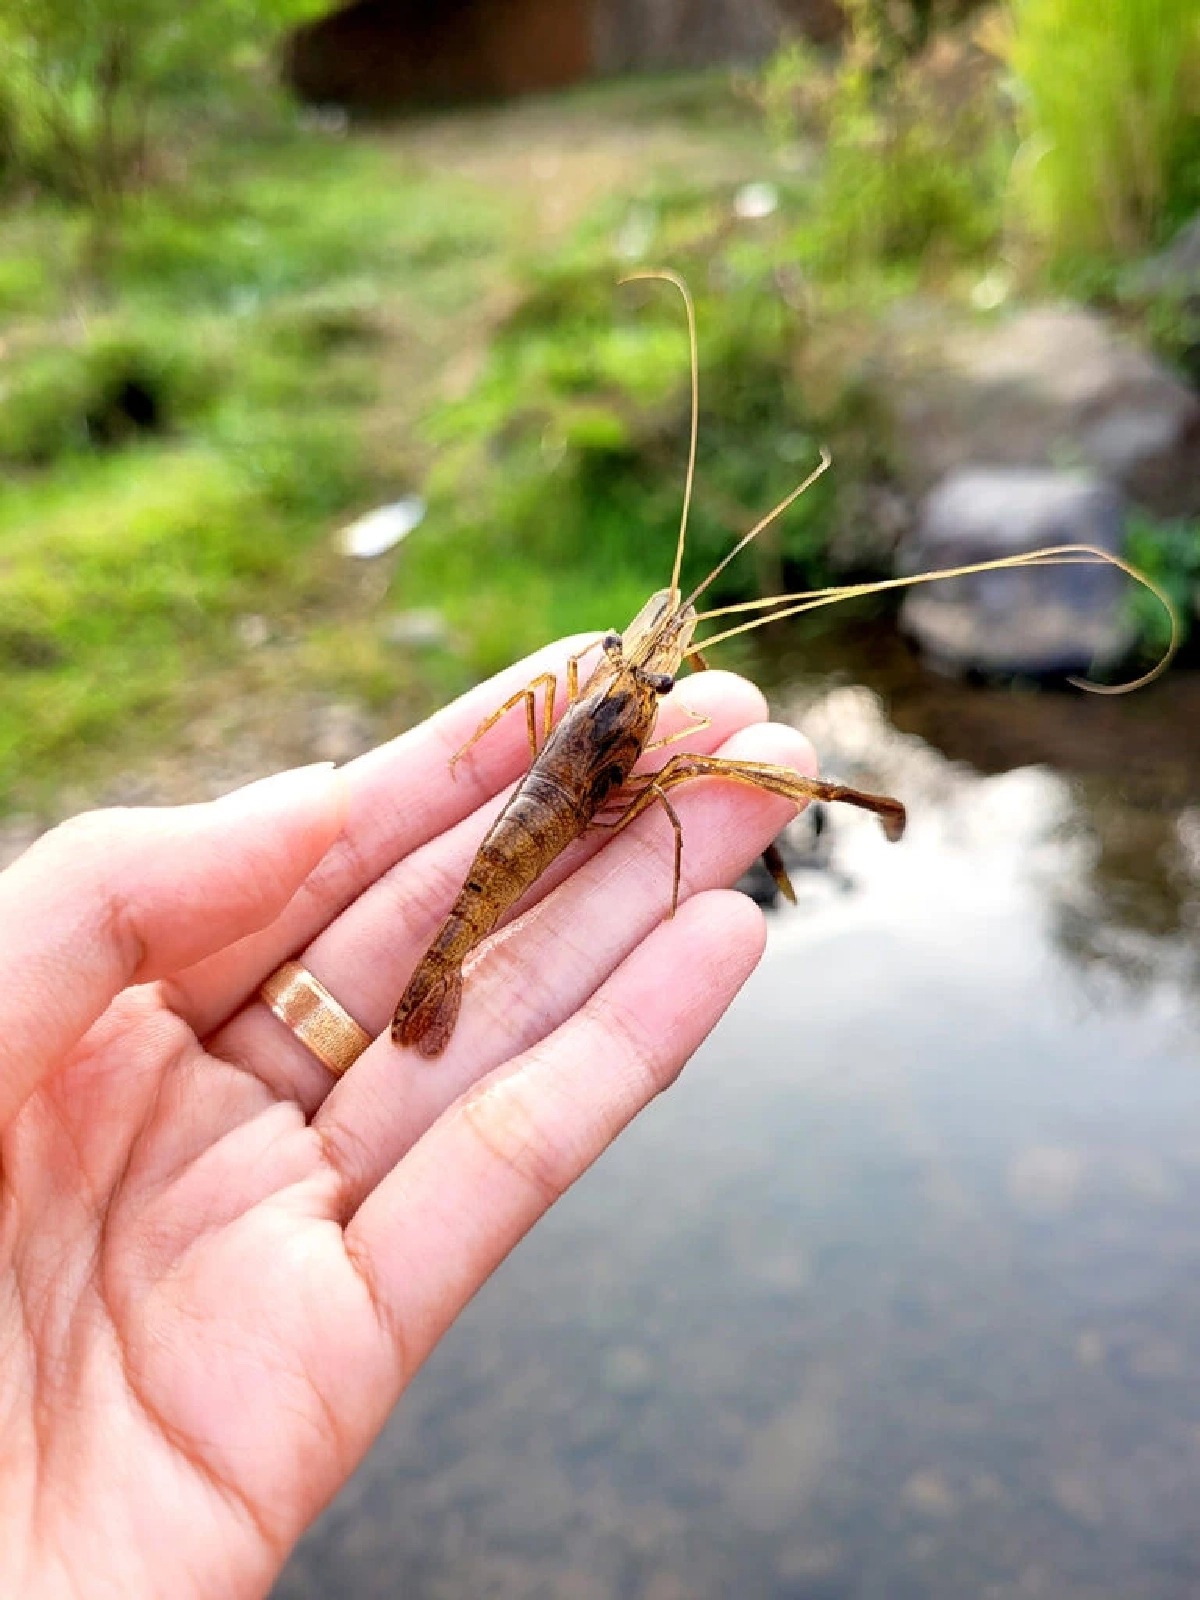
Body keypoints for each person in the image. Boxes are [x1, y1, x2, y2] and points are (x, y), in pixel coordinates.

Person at [0, 639, 815, 1598]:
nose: (648, 675)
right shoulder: (635, 731)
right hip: (521, 851)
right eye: (646, 674)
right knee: (687, 778)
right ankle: (447, 974)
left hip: (503, 844)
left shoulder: (601, 693)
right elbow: (662, 777)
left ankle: (442, 972)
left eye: (650, 676)